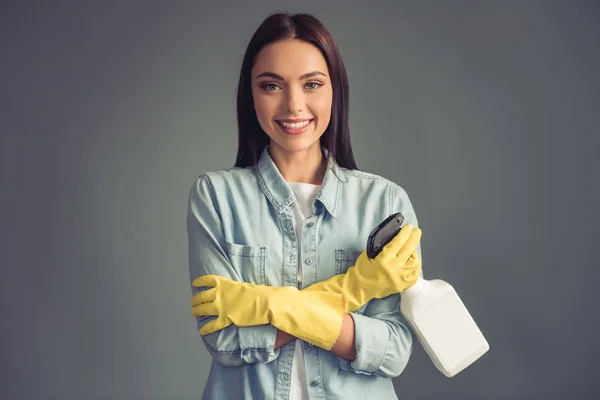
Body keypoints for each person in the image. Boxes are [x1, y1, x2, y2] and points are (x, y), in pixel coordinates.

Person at [186, 12, 423, 400]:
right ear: (251, 95)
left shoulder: (386, 203)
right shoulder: (215, 197)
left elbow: (393, 350)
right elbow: (225, 341)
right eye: (271, 86)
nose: (294, 105)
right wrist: (354, 288)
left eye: (311, 84)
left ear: (335, 91)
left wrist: (262, 304)